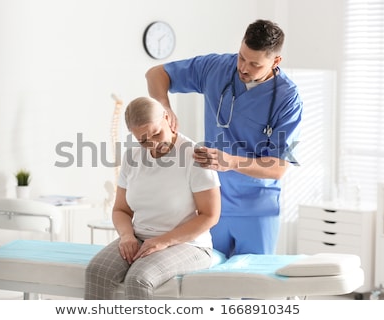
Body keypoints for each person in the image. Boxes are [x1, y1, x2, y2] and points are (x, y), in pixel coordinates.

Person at [145, 19, 303, 257]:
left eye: (254, 64)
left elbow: (279, 167)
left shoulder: (288, 100)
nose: (243, 68)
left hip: (256, 209)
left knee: (254, 286)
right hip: (211, 204)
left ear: (276, 61)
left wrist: (231, 162)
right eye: (241, 57)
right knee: (210, 286)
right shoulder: (217, 67)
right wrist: (164, 106)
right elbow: (156, 74)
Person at [85, 96, 221, 300]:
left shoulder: (194, 156)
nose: (153, 144)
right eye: (143, 140)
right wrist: (127, 236)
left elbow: (210, 215)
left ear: (167, 118)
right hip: (140, 237)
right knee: (96, 271)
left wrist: (163, 241)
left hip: (189, 244)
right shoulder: (132, 157)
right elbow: (121, 210)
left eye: (157, 133)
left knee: (138, 278)